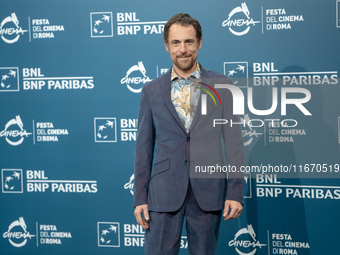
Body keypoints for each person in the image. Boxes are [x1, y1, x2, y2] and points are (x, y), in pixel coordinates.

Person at [134, 13, 244, 255]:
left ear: (200, 42)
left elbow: (235, 143)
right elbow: (143, 149)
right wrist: (140, 197)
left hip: (208, 191)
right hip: (163, 194)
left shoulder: (222, 85)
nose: (182, 49)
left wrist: (235, 192)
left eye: (189, 42)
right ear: (166, 46)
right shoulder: (151, 91)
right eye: (176, 43)